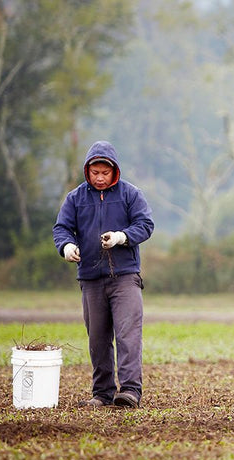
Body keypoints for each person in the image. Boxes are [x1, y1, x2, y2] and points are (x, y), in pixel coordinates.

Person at [53, 140, 155, 408]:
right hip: (90, 279)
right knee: (97, 339)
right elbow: (61, 228)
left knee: (127, 335)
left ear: (114, 171)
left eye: (104, 173)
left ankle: (130, 391)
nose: (99, 178)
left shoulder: (131, 194)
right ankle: (102, 394)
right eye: (95, 172)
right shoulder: (75, 198)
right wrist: (66, 246)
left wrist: (122, 236)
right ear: (87, 171)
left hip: (125, 277)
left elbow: (145, 225)